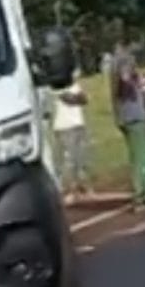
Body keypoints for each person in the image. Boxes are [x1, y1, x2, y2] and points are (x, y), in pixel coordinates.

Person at [109, 37, 145, 210]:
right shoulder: (125, 64)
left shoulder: (113, 67)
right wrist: (138, 82)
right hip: (135, 116)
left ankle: (143, 194)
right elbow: (126, 81)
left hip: (124, 117)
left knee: (137, 156)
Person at [54, 70, 93, 203]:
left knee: (82, 157)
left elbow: (85, 99)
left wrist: (80, 96)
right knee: (69, 160)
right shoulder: (57, 86)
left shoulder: (75, 86)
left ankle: (83, 186)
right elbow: (69, 99)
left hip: (78, 124)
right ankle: (70, 190)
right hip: (65, 126)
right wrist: (80, 97)